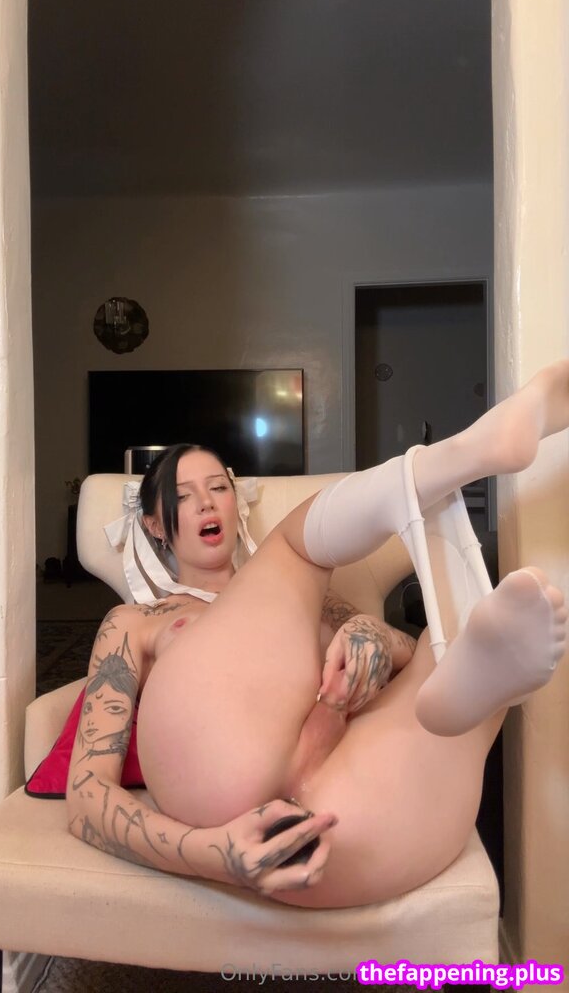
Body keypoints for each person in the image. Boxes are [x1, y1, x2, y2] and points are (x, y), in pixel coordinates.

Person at [67, 361, 568, 908]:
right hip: (222, 773)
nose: (208, 502)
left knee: (441, 643)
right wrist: (212, 853)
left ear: (236, 504)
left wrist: (371, 634)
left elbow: (400, 655)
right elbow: (87, 793)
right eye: (185, 495)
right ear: (153, 524)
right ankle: (456, 458)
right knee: (296, 549)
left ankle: (477, 689)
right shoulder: (138, 620)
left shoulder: (315, 604)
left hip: (355, 806)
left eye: (219, 487)